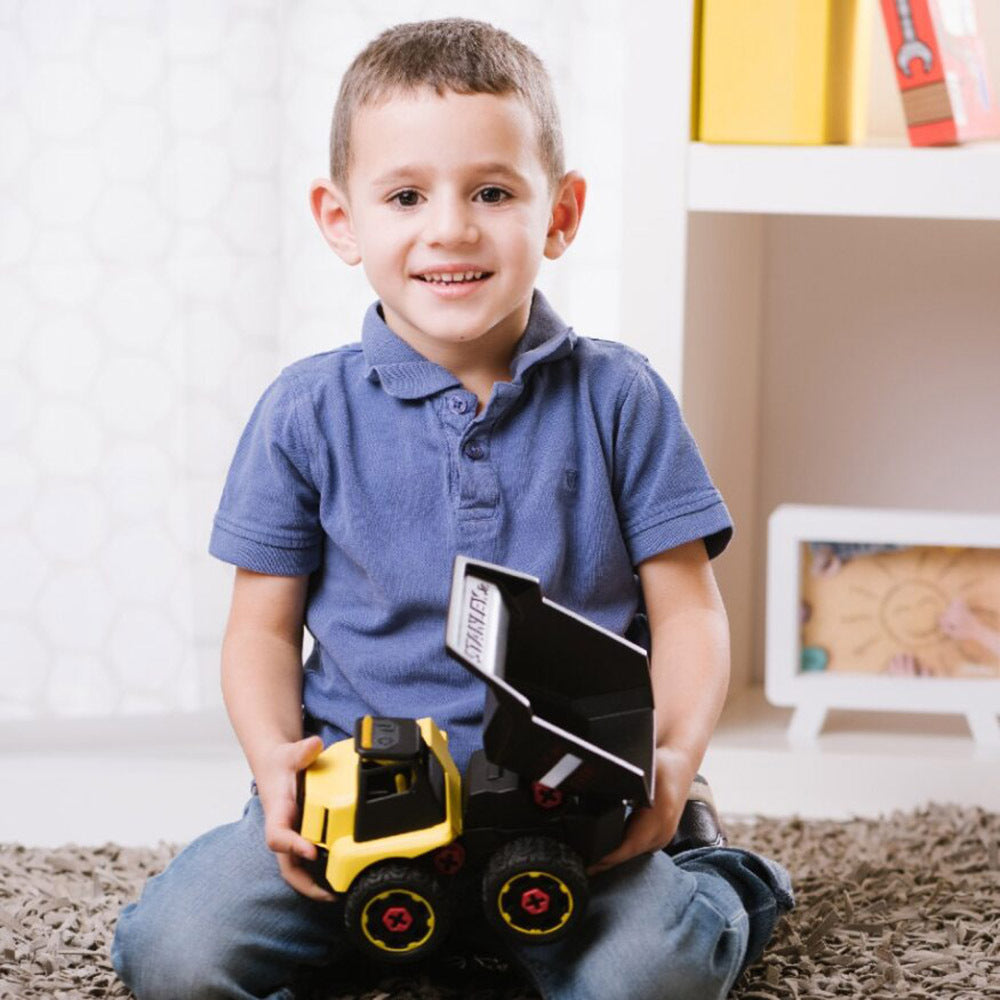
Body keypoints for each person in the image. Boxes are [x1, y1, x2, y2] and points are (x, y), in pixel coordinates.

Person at [112, 18, 792, 1000]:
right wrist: (275, 765)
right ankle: (394, 931)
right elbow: (258, 628)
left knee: (654, 972)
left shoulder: (620, 398)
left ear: (559, 214)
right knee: (175, 955)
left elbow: (688, 609)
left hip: (568, 813)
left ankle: (720, 878)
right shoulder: (305, 412)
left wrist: (674, 759)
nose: (450, 228)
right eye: (404, 196)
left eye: (491, 192)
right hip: (362, 806)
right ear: (340, 219)